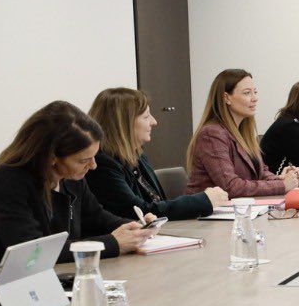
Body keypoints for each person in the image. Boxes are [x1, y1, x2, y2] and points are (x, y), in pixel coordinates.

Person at [0, 101, 152, 277]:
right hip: (3, 290)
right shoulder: (8, 182)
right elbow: (34, 253)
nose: (94, 166)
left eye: (93, 157)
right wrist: (112, 243)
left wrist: (136, 227)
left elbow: (97, 217)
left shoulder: (70, 177)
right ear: (52, 157)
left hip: (58, 279)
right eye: (84, 160)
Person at [87, 87, 224, 221]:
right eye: (146, 117)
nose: (154, 122)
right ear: (124, 123)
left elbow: (157, 205)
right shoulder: (102, 163)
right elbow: (140, 211)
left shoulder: (138, 156)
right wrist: (203, 200)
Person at [185, 69, 299, 198]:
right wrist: (283, 185)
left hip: (237, 210)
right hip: (207, 215)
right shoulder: (212, 134)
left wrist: (282, 179)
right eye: (247, 93)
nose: (255, 98)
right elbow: (230, 187)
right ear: (226, 98)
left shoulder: (242, 132)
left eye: (255, 92)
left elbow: (261, 173)